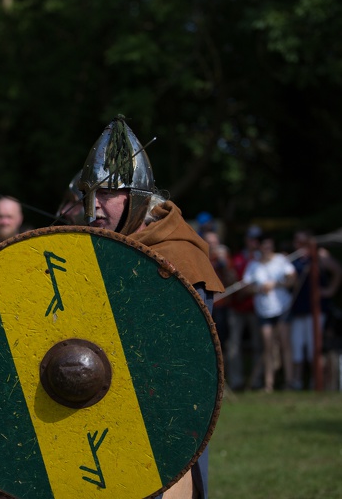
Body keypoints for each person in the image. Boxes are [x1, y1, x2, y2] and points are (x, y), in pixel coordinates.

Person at [76, 116, 224, 499]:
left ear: (136, 196)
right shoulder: (104, 250)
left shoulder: (178, 256)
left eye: (107, 193)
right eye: (87, 193)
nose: (94, 205)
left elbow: (183, 368)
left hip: (160, 425)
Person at [286, 229, 342, 390]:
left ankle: (316, 380)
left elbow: (338, 270)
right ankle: (297, 381)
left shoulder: (319, 256)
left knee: (314, 347)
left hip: (316, 309)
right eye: (297, 242)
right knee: (297, 345)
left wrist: (330, 290)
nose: (300, 246)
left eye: (303, 242)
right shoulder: (293, 260)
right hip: (298, 309)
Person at [242, 236, 296, 392]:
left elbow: (292, 279)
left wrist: (276, 284)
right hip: (264, 310)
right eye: (263, 246)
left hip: (282, 307)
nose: (266, 249)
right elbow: (245, 287)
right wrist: (259, 289)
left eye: (269, 246)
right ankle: (269, 384)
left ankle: (290, 381)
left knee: (285, 344)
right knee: (268, 346)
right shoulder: (253, 265)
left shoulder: (281, 260)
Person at [225, 225, 264, 391]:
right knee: (234, 346)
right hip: (237, 308)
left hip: (256, 308)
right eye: (251, 239)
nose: (254, 242)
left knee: (258, 345)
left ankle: (256, 380)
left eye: (257, 239)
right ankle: (236, 381)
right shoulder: (238, 259)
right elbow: (231, 281)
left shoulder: (263, 260)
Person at [203, 231, 235, 348]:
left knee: (222, 340)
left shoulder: (223, 258)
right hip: (205, 305)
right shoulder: (201, 258)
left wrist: (225, 265)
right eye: (209, 242)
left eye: (214, 242)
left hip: (222, 305)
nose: (212, 245)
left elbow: (232, 280)